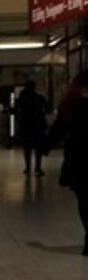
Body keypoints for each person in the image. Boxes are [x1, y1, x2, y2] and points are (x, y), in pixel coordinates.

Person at [48, 71, 88, 255]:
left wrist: (46, 145)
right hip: (79, 157)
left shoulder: (71, 105)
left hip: (79, 157)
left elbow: (59, 129)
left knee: (84, 199)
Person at [15, 79, 50, 176]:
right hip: (38, 125)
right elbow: (48, 108)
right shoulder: (39, 98)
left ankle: (27, 167)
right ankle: (38, 167)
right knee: (38, 148)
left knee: (27, 148)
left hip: (26, 125)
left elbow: (17, 111)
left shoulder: (22, 98)